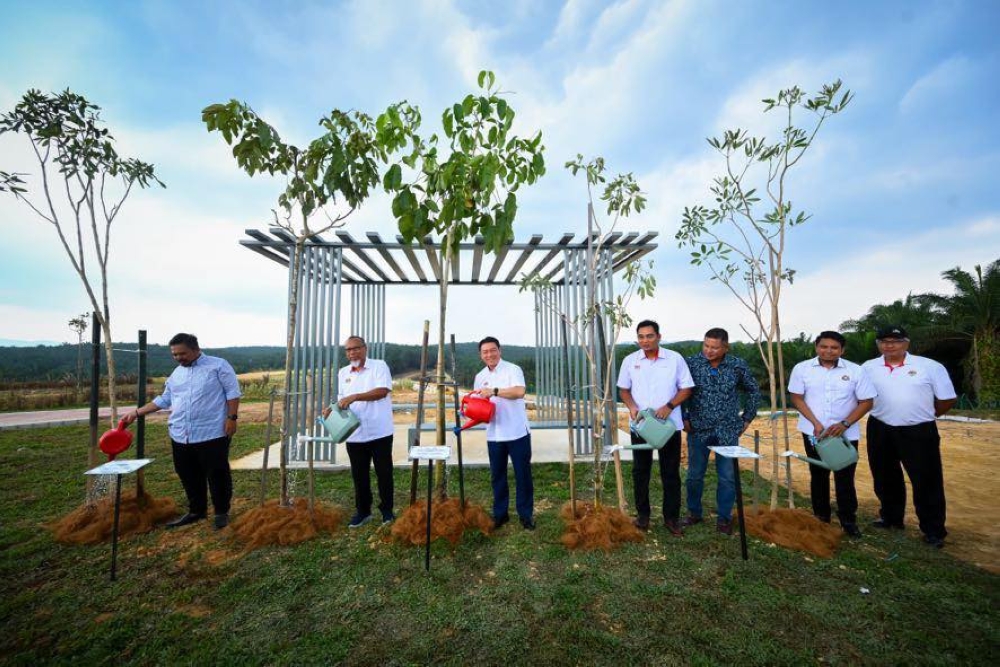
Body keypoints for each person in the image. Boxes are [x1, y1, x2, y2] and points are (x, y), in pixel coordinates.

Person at [124, 333, 241, 530]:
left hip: (212, 432)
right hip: (180, 434)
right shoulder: (176, 374)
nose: (179, 358)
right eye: (175, 355)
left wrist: (232, 418)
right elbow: (164, 399)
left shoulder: (218, 366)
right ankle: (197, 511)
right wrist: (136, 413)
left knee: (217, 473)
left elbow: (233, 393)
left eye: (182, 354)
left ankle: (221, 512)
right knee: (187, 473)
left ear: (195, 349)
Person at [862, 325, 956, 548]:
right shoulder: (868, 367)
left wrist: (926, 414)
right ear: (878, 345)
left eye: (895, 341)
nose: (890, 345)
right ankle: (891, 517)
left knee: (926, 480)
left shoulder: (929, 366)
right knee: (884, 475)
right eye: (884, 341)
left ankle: (933, 530)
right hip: (880, 426)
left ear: (906, 343)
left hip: (919, 429)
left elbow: (947, 399)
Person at [788, 331, 876, 538]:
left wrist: (845, 423)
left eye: (834, 348)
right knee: (818, 475)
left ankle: (848, 519)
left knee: (845, 476)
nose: (828, 351)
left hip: (846, 434)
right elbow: (797, 398)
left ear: (842, 350)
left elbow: (867, 401)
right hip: (814, 433)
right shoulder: (802, 369)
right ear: (816, 347)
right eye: (824, 346)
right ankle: (821, 518)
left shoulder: (855, 371)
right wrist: (815, 423)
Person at [617, 320, 694, 535]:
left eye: (649, 336)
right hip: (641, 425)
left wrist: (670, 405)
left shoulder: (674, 359)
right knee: (640, 471)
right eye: (641, 337)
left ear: (659, 336)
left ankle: (671, 519)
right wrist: (632, 406)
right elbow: (623, 389)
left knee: (670, 472)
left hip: (668, 426)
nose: (645, 340)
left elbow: (687, 388)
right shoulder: (630, 361)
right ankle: (643, 516)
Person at [683, 328, 759, 535]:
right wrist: (684, 418)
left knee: (727, 477)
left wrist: (747, 418)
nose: (709, 350)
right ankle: (694, 513)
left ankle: (724, 518)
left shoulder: (737, 365)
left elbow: (753, 390)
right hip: (698, 429)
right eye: (706, 345)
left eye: (715, 347)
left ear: (726, 347)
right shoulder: (691, 363)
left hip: (727, 430)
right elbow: (680, 390)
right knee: (694, 476)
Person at [324, 335, 395, 528]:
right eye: (348, 350)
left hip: (380, 431)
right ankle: (363, 512)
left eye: (356, 348)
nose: (352, 352)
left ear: (365, 348)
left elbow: (382, 391)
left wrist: (355, 396)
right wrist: (332, 408)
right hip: (354, 433)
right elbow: (341, 399)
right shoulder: (343, 372)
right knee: (359, 474)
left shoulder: (379, 366)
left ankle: (387, 511)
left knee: (384, 473)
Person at [474, 336, 534, 530]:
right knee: (497, 475)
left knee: (522, 474)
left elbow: (519, 392)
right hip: (494, 434)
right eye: (485, 352)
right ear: (481, 355)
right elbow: (479, 403)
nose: (489, 354)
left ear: (500, 351)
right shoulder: (479, 376)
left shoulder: (513, 369)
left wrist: (495, 391)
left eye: (493, 350)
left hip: (517, 432)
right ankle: (500, 514)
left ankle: (525, 515)